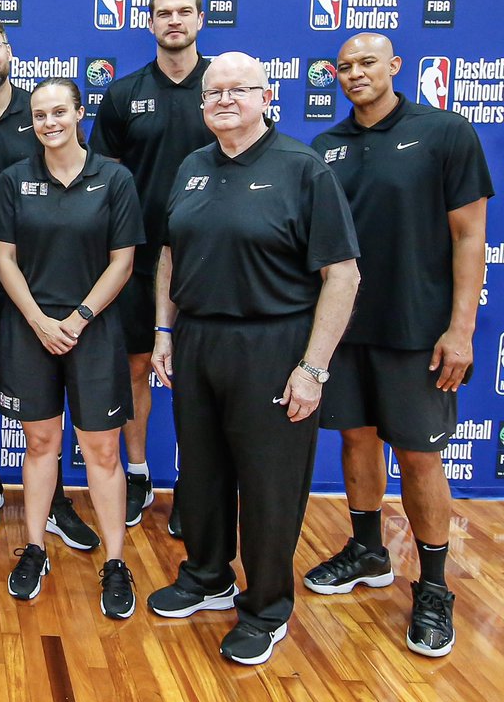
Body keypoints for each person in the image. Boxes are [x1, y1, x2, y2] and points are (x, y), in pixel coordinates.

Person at [147, 52, 360, 666]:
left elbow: (341, 276)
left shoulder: (301, 168)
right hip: (197, 341)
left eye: (239, 90)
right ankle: (207, 576)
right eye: (214, 92)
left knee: (269, 486)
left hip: (274, 344)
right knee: (204, 472)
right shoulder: (191, 166)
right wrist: (165, 330)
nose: (224, 100)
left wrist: (312, 368)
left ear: (267, 97)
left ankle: (266, 607)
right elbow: (169, 255)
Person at [306, 34, 493, 658]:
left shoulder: (445, 133)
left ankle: (434, 587)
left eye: (368, 63)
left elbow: (470, 238)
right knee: (356, 441)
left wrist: (461, 328)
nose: (355, 74)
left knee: (417, 458)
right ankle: (366, 550)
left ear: (395, 67)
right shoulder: (326, 149)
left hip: (418, 334)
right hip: (345, 332)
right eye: (345, 67)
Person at [0, 79, 143, 616]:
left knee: (101, 450)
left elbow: (122, 262)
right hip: (29, 331)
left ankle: (116, 562)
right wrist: (39, 320)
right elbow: (4, 258)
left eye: (59, 111)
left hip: (92, 331)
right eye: (39, 115)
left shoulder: (114, 179)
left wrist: (75, 319)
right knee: (40, 444)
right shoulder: (14, 180)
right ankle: (34, 548)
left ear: (79, 113)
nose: (49, 122)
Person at [0, 15, 99, 550]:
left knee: (50, 385)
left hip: (42, 279)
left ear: (10, 51)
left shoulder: (38, 113)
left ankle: (57, 498)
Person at [87, 0, 213, 535]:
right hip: (138, 260)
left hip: (214, 258)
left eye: (184, 12)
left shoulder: (227, 86)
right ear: (150, 22)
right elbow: (101, 179)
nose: (174, 21)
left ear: (201, 19)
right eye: (164, 13)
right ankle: (137, 474)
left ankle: (198, 484)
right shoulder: (124, 94)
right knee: (138, 367)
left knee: (199, 376)